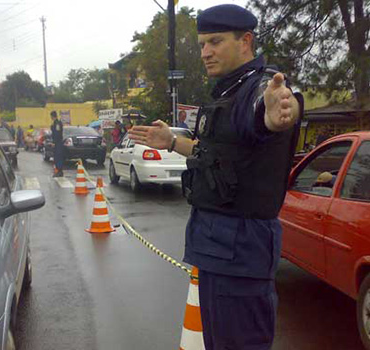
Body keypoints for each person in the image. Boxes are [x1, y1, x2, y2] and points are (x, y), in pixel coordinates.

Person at [129, 4, 303, 350]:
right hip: (216, 250)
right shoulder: (228, 92)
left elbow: (275, 109)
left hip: (240, 256)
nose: (206, 52)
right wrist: (173, 143)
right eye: (203, 44)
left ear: (246, 41)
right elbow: (218, 159)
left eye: (216, 42)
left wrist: (278, 112)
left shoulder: (261, 89)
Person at [50, 110, 64, 177]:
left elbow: (57, 134)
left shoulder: (57, 123)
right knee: (56, 157)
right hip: (57, 143)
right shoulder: (55, 123)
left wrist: (54, 142)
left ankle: (59, 171)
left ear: (52, 116)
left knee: (58, 157)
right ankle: (58, 171)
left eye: (51, 116)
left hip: (58, 143)